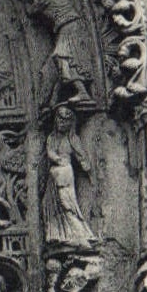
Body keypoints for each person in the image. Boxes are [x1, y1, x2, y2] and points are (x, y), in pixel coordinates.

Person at [42, 104, 94, 247]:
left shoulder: (72, 138)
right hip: (54, 173)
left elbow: (81, 155)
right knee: (51, 204)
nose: (61, 123)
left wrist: (88, 169)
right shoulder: (51, 137)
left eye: (65, 120)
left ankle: (80, 235)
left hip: (65, 173)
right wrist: (55, 158)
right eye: (59, 119)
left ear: (71, 123)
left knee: (67, 203)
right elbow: (50, 151)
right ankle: (59, 234)